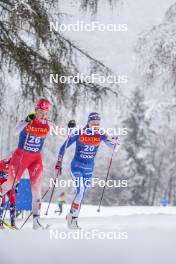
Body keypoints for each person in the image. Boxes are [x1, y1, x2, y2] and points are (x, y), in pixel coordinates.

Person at [55, 112, 120, 229]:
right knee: (80, 192)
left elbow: (114, 148)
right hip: (77, 166)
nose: (95, 126)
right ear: (88, 123)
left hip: (89, 169)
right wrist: (58, 163)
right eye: (93, 123)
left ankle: (71, 216)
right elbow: (63, 147)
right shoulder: (80, 132)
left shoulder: (100, 134)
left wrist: (117, 142)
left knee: (82, 194)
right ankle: (73, 220)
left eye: (98, 124)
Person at [0, 99, 52, 230]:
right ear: (36, 110)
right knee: (8, 185)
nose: (43, 115)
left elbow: (61, 134)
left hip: (35, 160)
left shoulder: (47, 124)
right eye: (41, 112)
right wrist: (26, 122)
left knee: (37, 191)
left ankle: (36, 222)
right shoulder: (27, 120)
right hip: (21, 157)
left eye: (46, 112)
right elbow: (16, 132)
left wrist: (70, 129)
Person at [0, 157, 17, 229]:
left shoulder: (18, 166)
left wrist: (15, 186)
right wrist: (4, 175)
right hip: (1, 183)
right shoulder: (3, 162)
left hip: (9, 184)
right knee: (2, 200)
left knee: (13, 200)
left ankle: (13, 223)